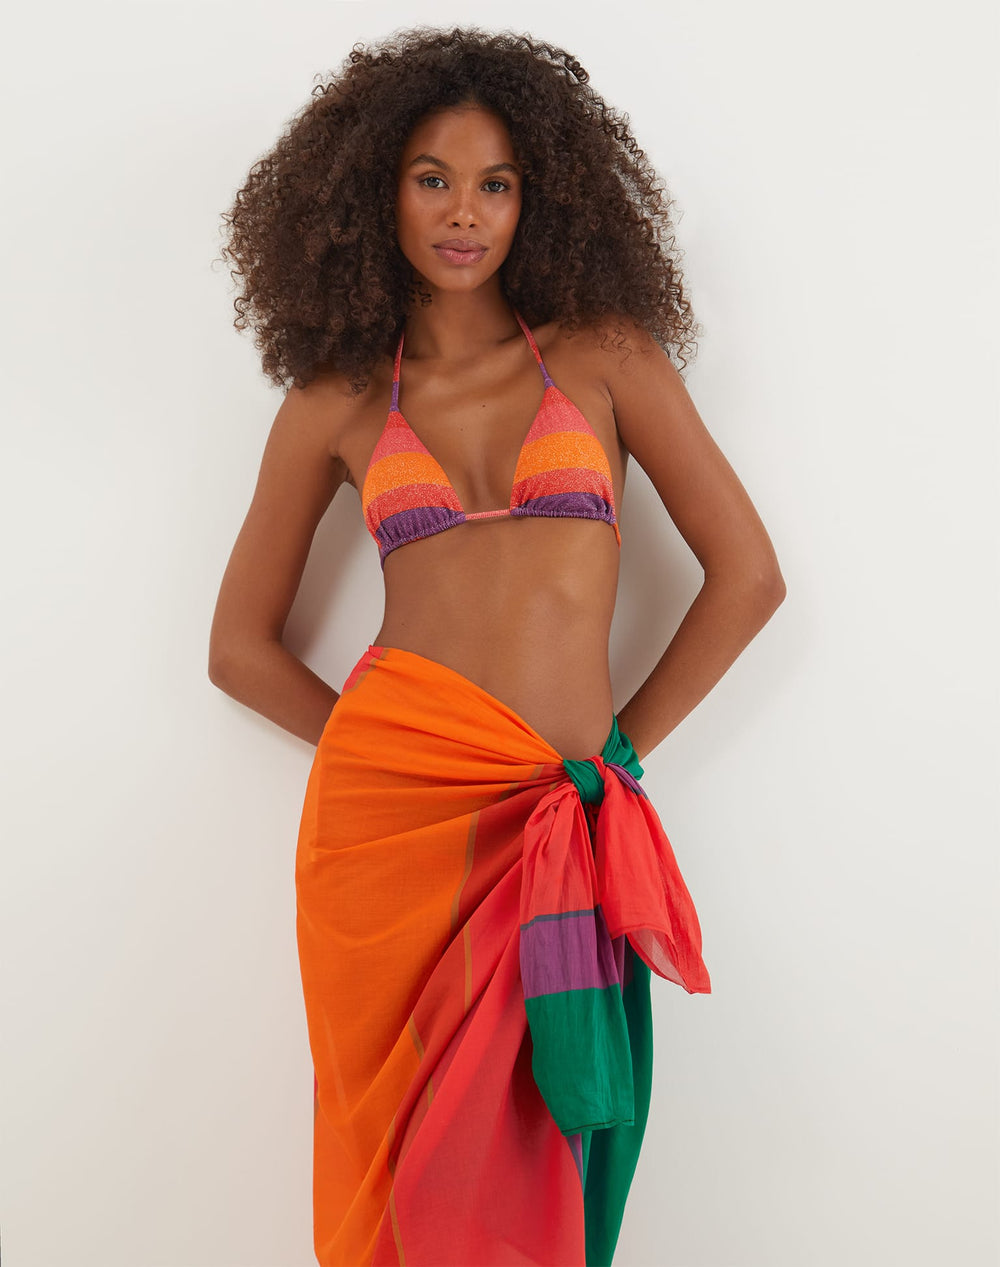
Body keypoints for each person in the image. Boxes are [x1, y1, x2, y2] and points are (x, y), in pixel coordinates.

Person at [208, 25, 785, 1267]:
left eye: (496, 182)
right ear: (374, 190)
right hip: (390, 833)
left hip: (559, 818)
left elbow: (748, 578)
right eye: (432, 178)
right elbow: (238, 647)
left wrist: (615, 754)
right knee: (400, 1163)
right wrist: (391, 754)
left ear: (542, 197)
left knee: (549, 1154)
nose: (464, 212)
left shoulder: (605, 358)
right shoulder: (333, 399)